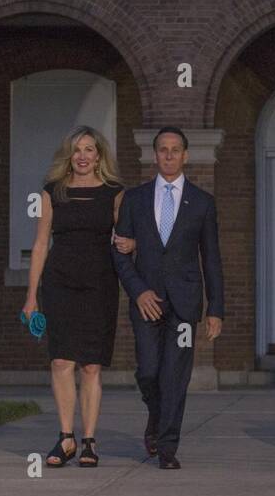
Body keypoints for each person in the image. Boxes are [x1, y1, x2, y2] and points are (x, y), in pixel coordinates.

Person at [111, 127, 224, 470]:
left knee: (175, 374)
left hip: (185, 305)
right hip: (146, 302)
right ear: (155, 154)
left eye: (176, 150)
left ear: (185, 155)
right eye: (163, 149)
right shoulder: (135, 199)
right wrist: (138, 290)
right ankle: (157, 419)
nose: (170, 155)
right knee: (148, 371)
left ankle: (167, 447)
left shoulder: (202, 202)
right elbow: (119, 252)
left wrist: (215, 308)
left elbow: (212, 258)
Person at [23, 125, 125, 469]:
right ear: (70, 156)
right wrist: (31, 296)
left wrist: (132, 244)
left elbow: (125, 237)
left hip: (100, 284)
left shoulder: (115, 193)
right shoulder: (52, 192)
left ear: (99, 156)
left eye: (89, 150)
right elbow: (40, 245)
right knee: (61, 361)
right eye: (77, 150)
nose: (82, 156)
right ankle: (66, 437)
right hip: (59, 282)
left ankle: (89, 441)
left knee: (92, 364)